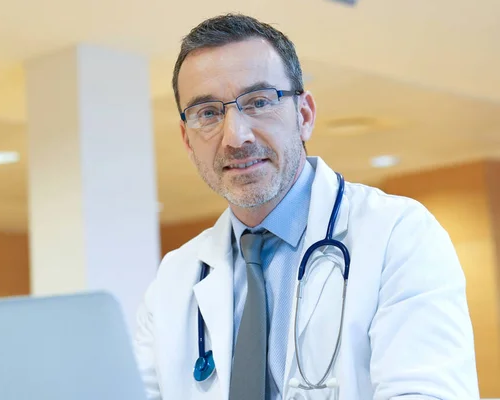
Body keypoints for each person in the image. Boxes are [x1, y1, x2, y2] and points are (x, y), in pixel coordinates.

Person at [133, 13, 479, 400]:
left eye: (259, 101)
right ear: (186, 139)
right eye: (208, 113)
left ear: (304, 115)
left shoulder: (399, 235)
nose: (236, 136)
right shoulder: (173, 279)